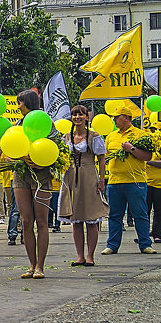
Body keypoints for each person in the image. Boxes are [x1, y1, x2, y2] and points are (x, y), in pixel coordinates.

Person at [101, 101, 156, 255]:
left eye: (116, 117)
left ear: (126, 118)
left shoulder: (140, 135)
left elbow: (148, 156)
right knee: (114, 216)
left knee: (140, 214)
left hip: (136, 181)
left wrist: (131, 149)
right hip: (114, 182)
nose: (113, 120)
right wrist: (101, 179)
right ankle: (112, 245)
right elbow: (104, 158)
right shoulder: (111, 136)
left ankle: (145, 244)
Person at [10, 89, 54, 278]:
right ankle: (31, 264)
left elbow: (55, 147)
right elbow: (10, 148)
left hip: (42, 175)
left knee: (42, 222)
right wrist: (21, 156)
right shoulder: (17, 124)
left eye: (20, 102)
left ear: (28, 102)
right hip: (21, 174)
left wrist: (41, 160)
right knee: (26, 221)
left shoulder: (46, 121)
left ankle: (40, 266)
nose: (18, 106)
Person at [59, 104, 107, 266]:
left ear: (87, 117)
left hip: (88, 175)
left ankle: (90, 256)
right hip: (71, 176)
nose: (77, 117)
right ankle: (80, 256)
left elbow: (101, 158)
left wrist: (101, 180)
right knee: (76, 219)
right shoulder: (66, 137)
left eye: (81, 115)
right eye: (74, 115)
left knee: (91, 217)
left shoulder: (94, 136)